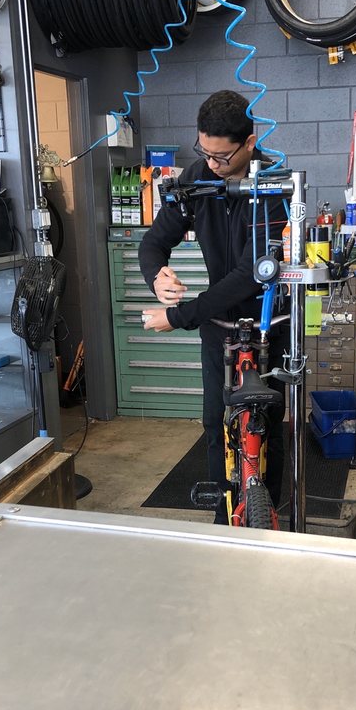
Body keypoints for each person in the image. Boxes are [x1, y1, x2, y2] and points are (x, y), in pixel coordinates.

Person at [138, 90, 288, 524]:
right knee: (213, 422)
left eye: (221, 156)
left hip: (269, 321)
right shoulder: (196, 178)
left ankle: (267, 517)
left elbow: (249, 274)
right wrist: (157, 276)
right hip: (216, 325)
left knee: (267, 423)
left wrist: (178, 316)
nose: (212, 164)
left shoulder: (273, 186)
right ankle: (224, 518)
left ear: (249, 142)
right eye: (204, 152)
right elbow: (154, 241)